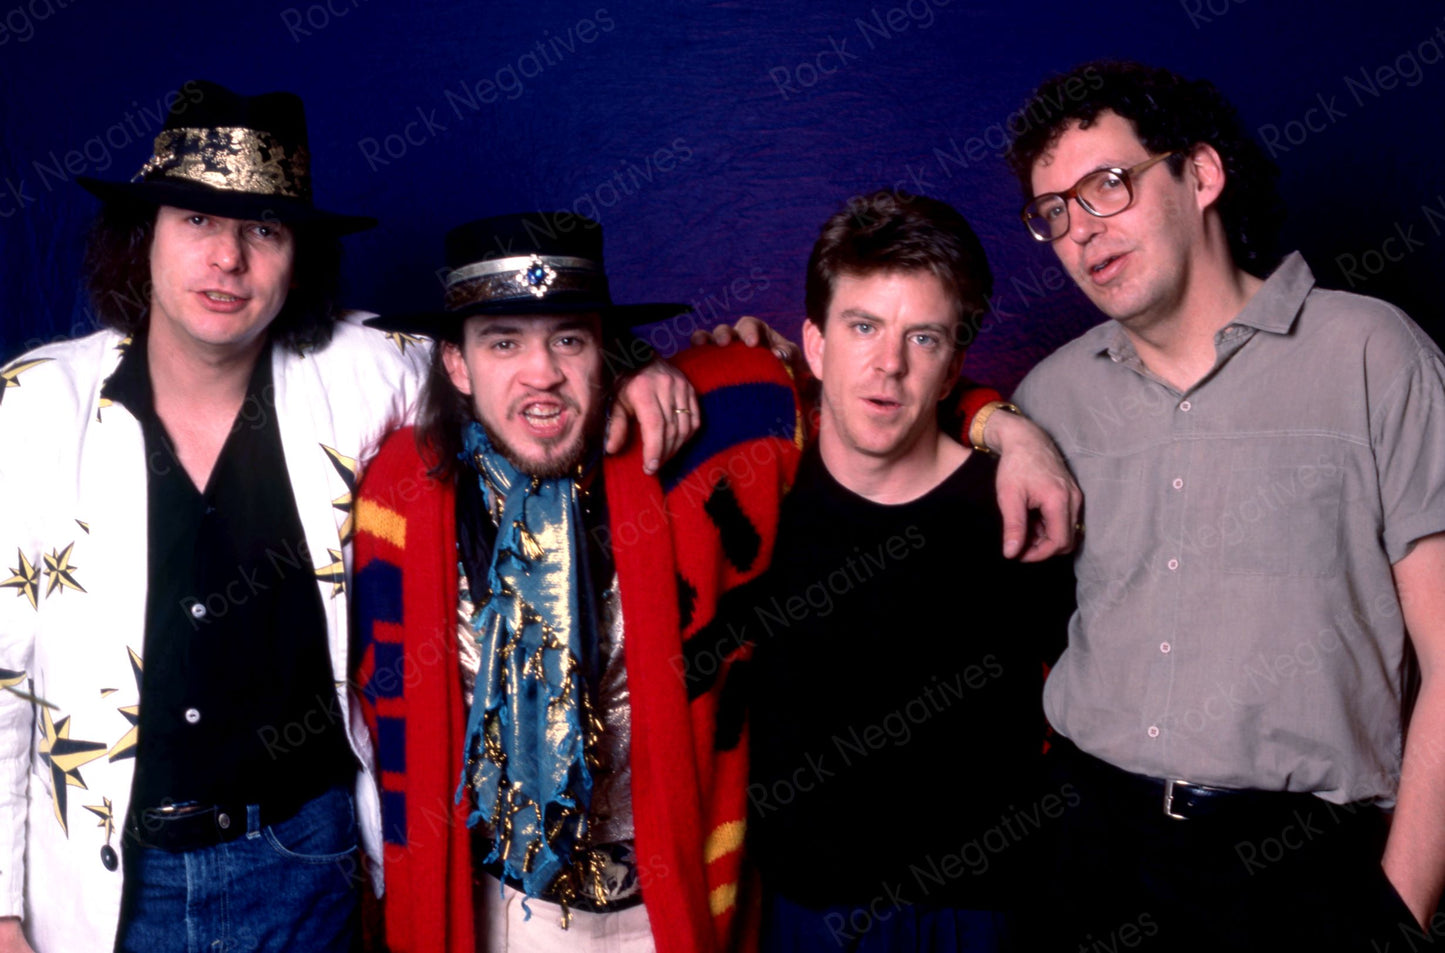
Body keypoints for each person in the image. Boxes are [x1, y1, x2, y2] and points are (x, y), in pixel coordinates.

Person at [0, 83, 691, 953]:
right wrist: (0, 912)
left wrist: (637, 363)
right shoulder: (34, 403)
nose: (227, 260)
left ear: (298, 258)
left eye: (263, 229)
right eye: (198, 223)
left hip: (305, 862)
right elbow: (1, 680)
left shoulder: (367, 369)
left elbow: (515, 356)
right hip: (100, 880)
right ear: (144, 237)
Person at [1004, 60, 1445, 950]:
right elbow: (889, 410)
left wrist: (1397, 911)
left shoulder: (1371, 352)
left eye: (1107, 186)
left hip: (1302, 869)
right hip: (1091, 849)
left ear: (1199, 175)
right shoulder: (1047, 397)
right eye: (1054, 211)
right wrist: (992, 425)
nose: (1080, 232)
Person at [351, 212, 807, 953]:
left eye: (568, 338)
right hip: (505, 911)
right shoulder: (399, 494)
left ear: (607, 354)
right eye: (504, 342)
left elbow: (887, 394)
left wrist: (997, 424)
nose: (542, 372)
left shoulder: (706, 436)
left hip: (666, 905)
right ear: (458, 366)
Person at [694, 190, 1072, 952]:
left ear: (954, 361)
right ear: (814, 341)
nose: (887, 364)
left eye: (922, 337)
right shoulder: (756, 497)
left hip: (980, 917)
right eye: (861, 325)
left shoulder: (1014, 507)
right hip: (796, 914)